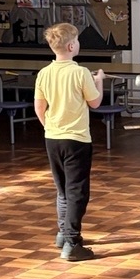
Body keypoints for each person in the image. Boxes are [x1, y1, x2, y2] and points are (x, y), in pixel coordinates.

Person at [34, 23, 101, 262]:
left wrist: (50, 127)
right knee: (77, 192)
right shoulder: (80, 72)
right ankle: (72, 243)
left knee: (62, 190)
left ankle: (63, 234)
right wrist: (99, 81)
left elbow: (39, 107)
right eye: (78, 40)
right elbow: (95, 103)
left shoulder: (44, 73)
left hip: (52, 138)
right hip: (76, 140)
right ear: (72, 46)